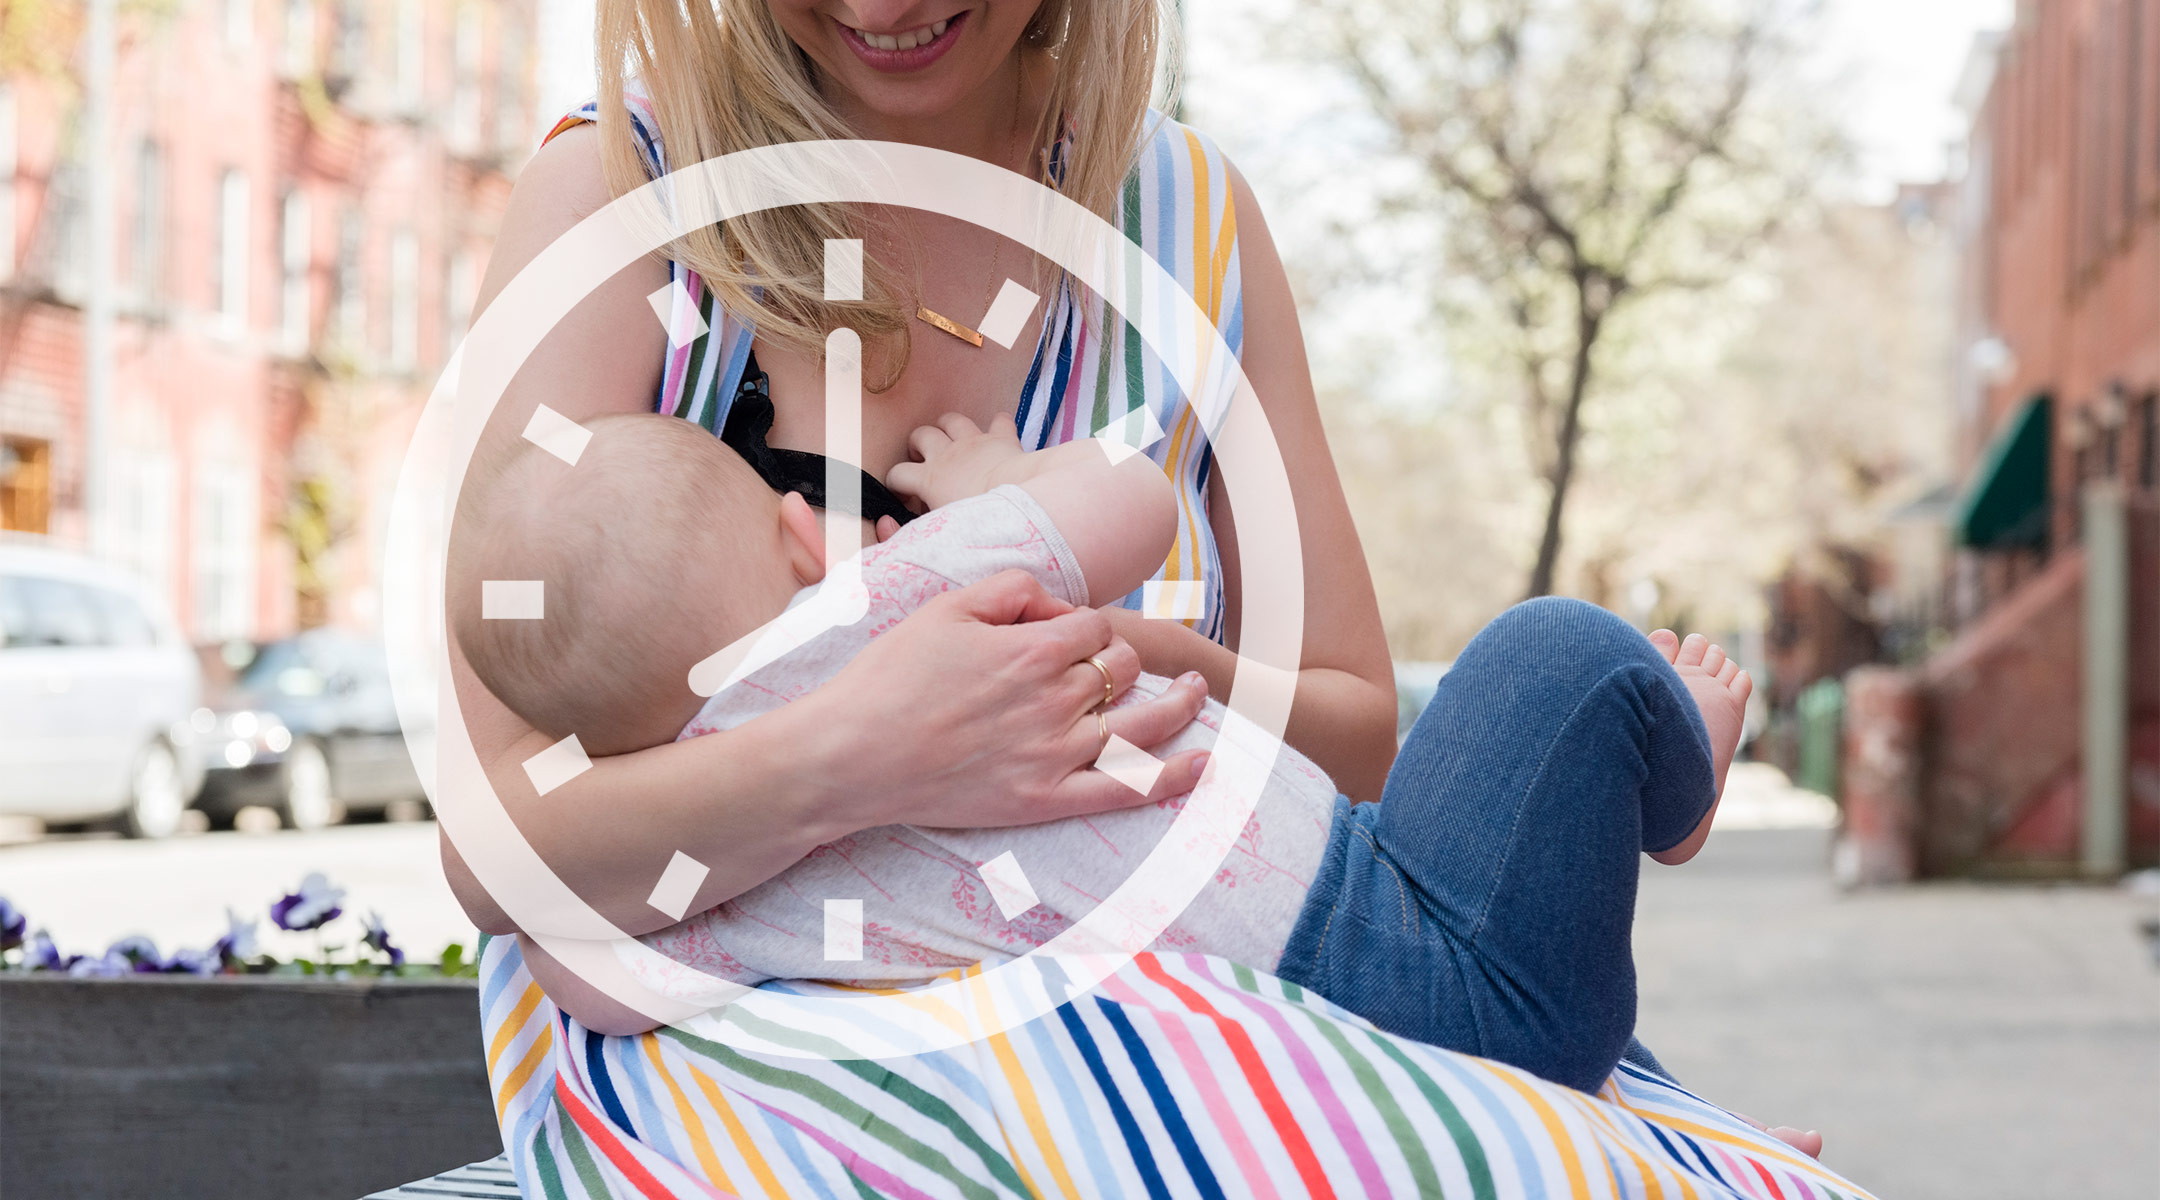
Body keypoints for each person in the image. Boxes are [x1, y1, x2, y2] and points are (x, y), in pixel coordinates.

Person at [449, 0, 1820, 1147]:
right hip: (789, 1107)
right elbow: (495, 847)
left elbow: (1352, 727)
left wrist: (1070, 663)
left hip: (1208, 1027)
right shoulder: (622, 196)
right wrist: (865, 751)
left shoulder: (1188, 224)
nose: (877, 6)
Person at [450, 409, 1752, 1095]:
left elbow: (590, 974)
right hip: (1427, 985)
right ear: (801, 533)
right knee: (1550, 654)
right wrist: (990, 488)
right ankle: (1671, 771)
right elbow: (1137, 502)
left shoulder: (713, 883)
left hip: (1329, 1000)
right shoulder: (902, 594)